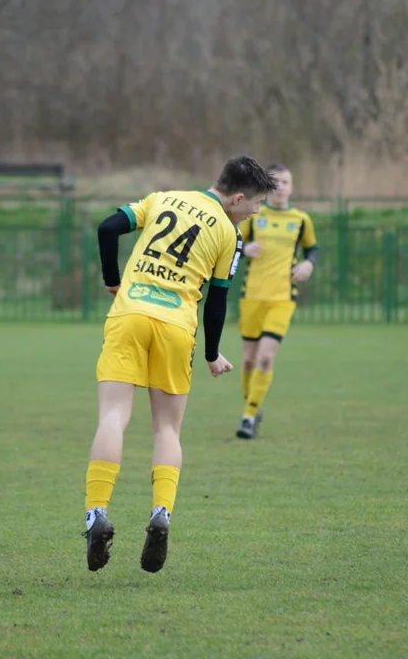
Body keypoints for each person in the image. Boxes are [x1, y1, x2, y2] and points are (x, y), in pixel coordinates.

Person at [84, 155, 277, 573]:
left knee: (113, 416)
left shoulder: (163, 198)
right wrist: (211, 353)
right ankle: (161, 514)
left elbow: (107, 228)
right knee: (167, 428)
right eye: (256, 204)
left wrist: (112, 281)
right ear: (238, 198)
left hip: (129, 315)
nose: (257, 212)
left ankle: (96, 514)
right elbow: (218, 299)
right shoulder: (229, 233)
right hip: (176, 326)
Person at [234, 164, 318, 440]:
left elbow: (312, 249)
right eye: (275, 182)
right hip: (252, 296)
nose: (281, 186)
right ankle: (252, 407)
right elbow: (232, 243)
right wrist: (244, 249)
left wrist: (308, 264)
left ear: (292, 187)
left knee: (265, 358)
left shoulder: (301, 219)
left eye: (286, 181)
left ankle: (248, 417)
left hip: (283, 298)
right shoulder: (254, 215)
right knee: (248, 361)